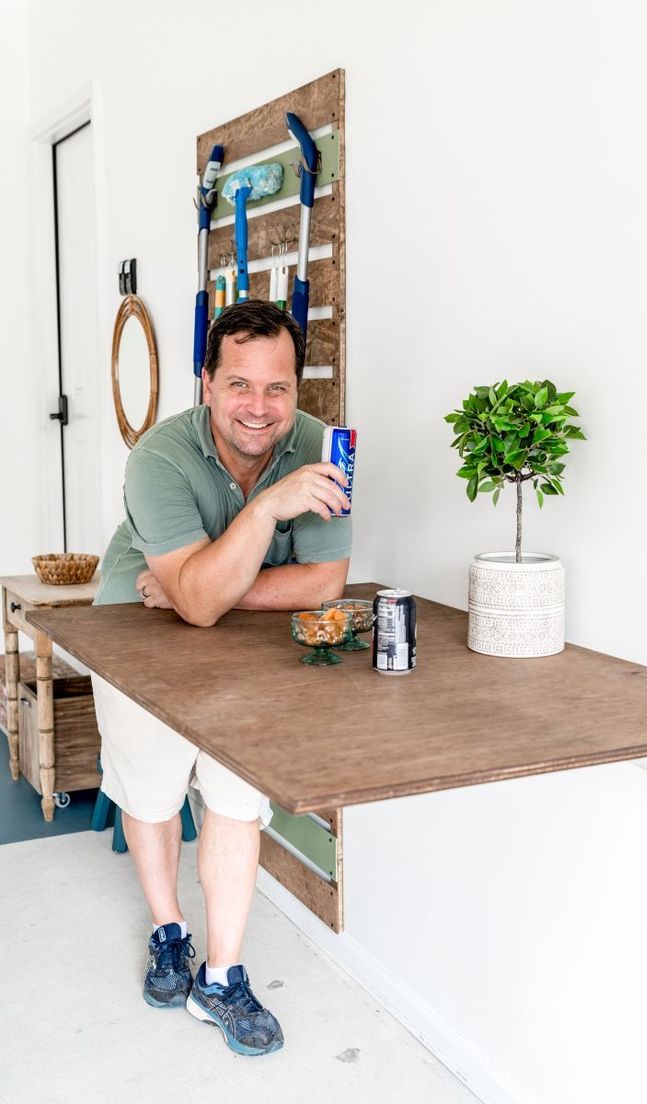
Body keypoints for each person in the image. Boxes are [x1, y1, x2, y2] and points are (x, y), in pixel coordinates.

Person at [91, 300, 352, 1057]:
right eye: (239, 385)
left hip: (243, 639)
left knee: (238, 798)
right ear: (205, 383)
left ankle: (221, 975)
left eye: (277, 388)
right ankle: (169, 930)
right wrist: (269, 510)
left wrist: (194, 585)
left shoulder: (327, 451)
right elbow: (196, 607)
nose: (259, 408)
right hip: (133, 630)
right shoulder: (158, 459)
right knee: (153, 788)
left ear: (298, 388)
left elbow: (323, 586)